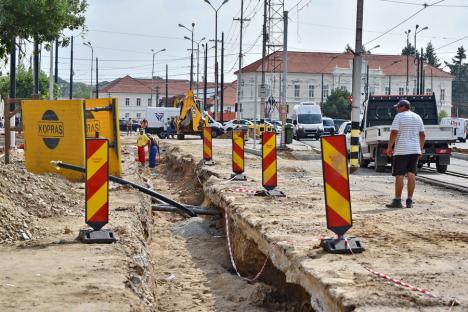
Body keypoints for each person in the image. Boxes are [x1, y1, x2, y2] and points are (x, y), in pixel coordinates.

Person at [385, 99, 425, 208]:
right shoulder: (418, 117)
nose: (397, 109)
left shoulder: (399, 116)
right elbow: (422, 135)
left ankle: (397, 201)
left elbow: (394, 133)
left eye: (398, 107)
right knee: (411, 174)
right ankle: (409, 201)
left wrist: (389, 148)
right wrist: (420, 149)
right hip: (415, 150)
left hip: (402, 150)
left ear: (403, 107)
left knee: (399, 175)